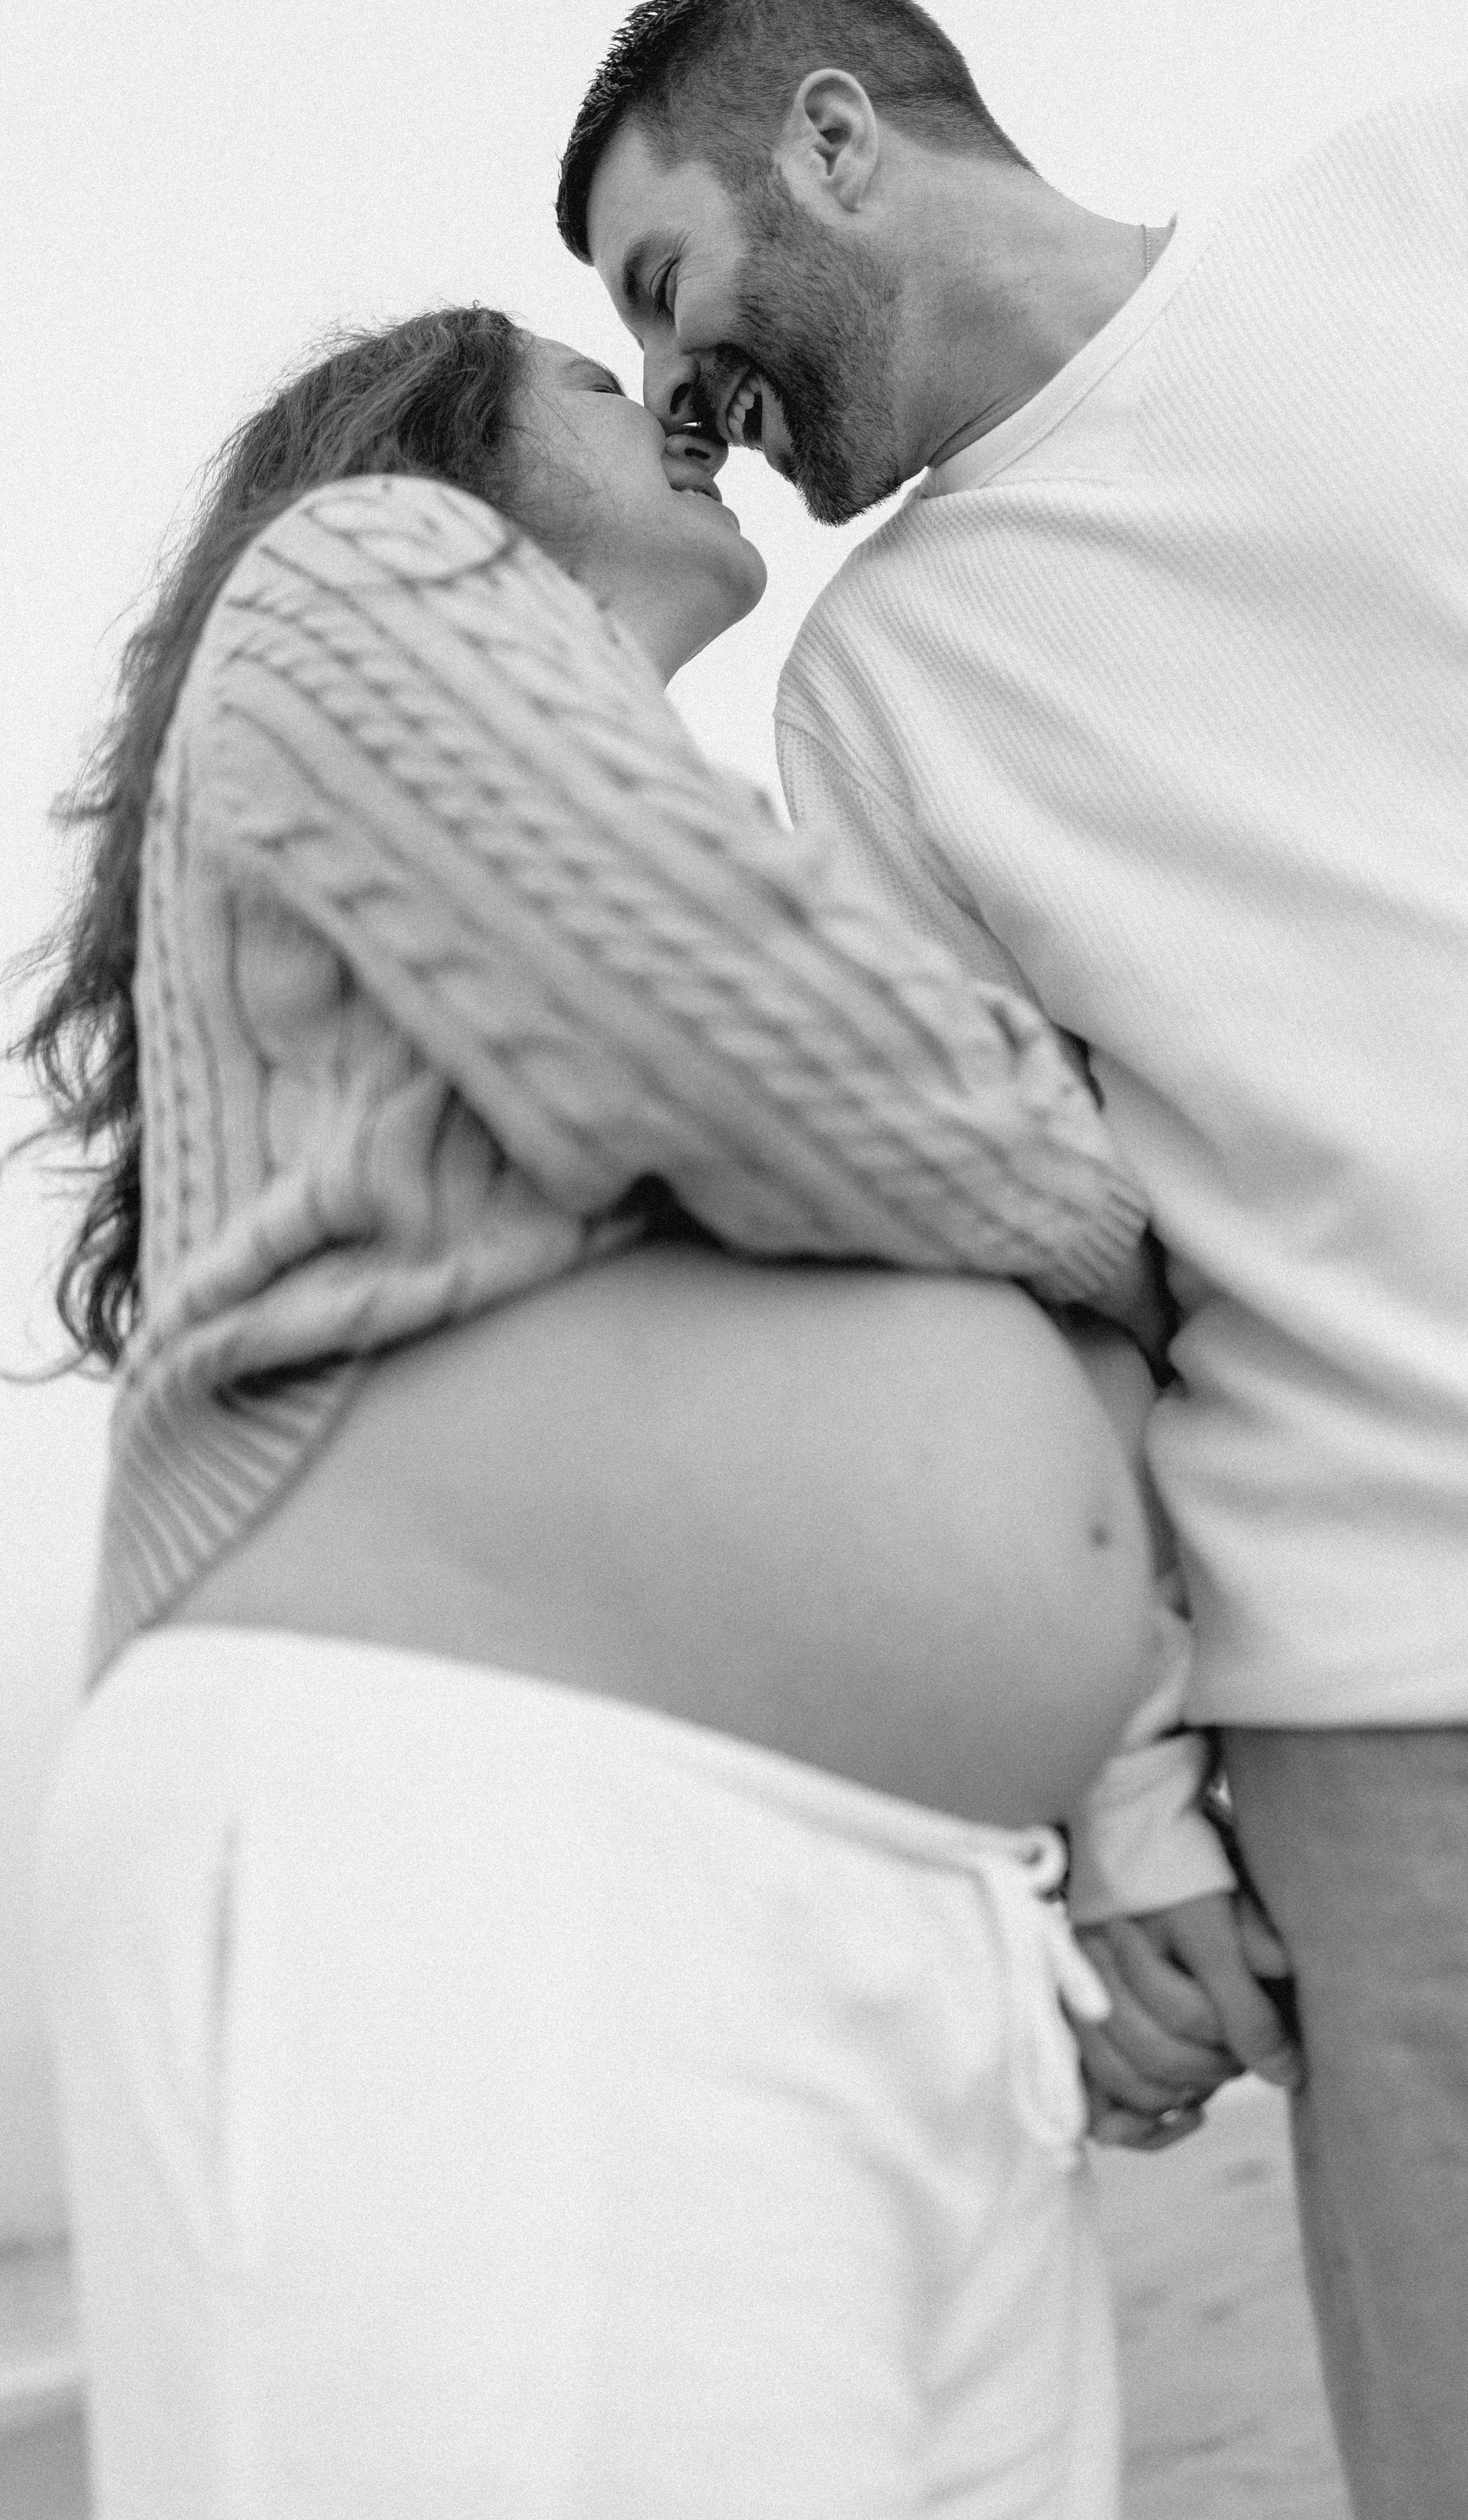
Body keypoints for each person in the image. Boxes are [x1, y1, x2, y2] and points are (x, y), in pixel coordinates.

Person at [559, 5, 1468, 2515]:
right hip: (1419, 1744)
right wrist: (1139, 1808)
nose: (662, 389)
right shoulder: (875, 694)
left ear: (831, 138)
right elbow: (1007, 1290)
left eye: (662, 280)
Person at [24, 299, 1199, 2519]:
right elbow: (790, 1062)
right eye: (593, 372)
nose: (673, 406)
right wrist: (1120, 1189)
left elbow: (906, 1159)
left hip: (877, 1919)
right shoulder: (364, 565)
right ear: (432, 445)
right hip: (483, 1863)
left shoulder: (711, 825)